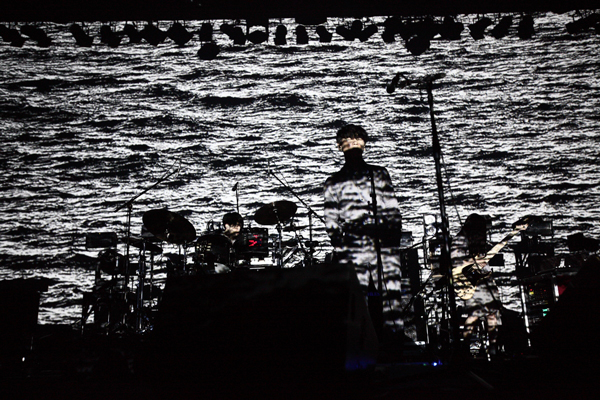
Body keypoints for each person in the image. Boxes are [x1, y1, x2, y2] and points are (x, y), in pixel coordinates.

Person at [323, 124, 403, 335]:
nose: (353, 148)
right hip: (367, 243)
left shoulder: (373, 175)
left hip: (370, 243)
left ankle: (380, 341)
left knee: (377, 299)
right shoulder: (340, 180)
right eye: (350, 144)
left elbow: (392, 210)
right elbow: (331, 220)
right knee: (370, 299)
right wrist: (341, 248)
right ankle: (376, 341)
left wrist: (392, 242)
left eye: (355, 143)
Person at [450, 213, 502, 354]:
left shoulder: (478, 241)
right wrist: (474, 261)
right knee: (474, 314)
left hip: (485, 280)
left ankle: (493, 347)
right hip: (471, 281)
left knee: (492, 313)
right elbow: (456, 262)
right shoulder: (460, 239)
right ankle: (465, 347)